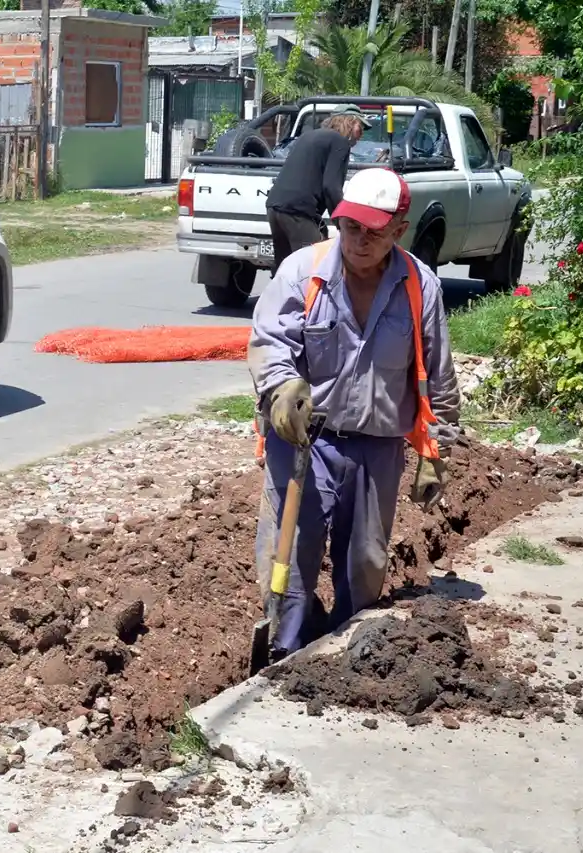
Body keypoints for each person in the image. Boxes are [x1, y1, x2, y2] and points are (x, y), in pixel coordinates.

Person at [246, 167, 461, 657]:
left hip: (378, 446)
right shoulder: (304, 271)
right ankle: (284, 646)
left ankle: (345, 651)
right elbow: (269, 342)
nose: (359, 241)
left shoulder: (419, 288)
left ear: (399, 230)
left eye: (373, 232)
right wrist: (281, 388)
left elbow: (438, 377)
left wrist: (436, 452)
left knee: (363, 562)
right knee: (290, 552)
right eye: (350, 228)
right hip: (304, 439)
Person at [264, 104, 370, 271]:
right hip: (299, 212)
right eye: (360, 126)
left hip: (275, 207)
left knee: (285, 270)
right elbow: (331, 187)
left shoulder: (309, 136)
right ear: (348, 122)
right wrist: (342, 222)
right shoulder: (339, 142)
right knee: (315, 268)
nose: (361, 134)